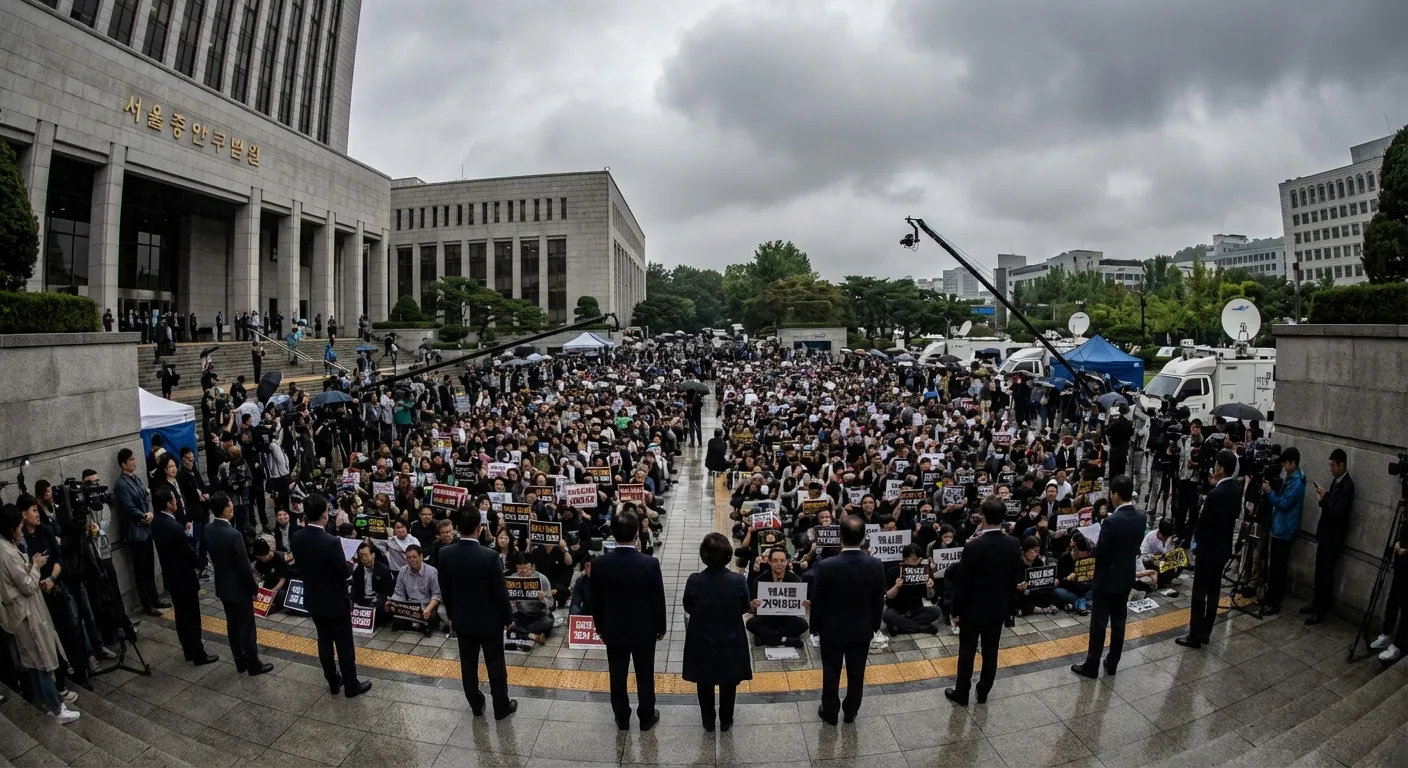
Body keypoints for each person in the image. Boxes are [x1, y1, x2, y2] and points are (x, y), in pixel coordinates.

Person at [0, 503, 81, 724]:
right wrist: (35, 566)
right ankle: (56, 708)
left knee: (33, 662)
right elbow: (27, 585)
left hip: (20, 614)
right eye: (19, 526)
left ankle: (44, 703)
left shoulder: (6, 547)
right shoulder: (7, 552)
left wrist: (31, 565)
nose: (21, 530)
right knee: (43, 660)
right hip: (27, 614)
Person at [590, 507, 667, 731]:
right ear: (636, 533)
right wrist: (660, 627)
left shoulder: (600, 564)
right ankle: (646, 716)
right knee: (645, 674)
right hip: (644, 630)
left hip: (613, 629)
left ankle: (622, 716)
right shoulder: (649, 563)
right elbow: (657, 599)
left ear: (613, 533)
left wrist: (600, 627)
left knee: (617, 673)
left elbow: (595, 600)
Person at [437, 506, 517, 719]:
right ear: (479, 528)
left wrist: (452, 615)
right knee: (495, 665)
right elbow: (500, 593)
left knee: (468, 665)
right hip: (490, 622)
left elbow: (445, 590)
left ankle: (475, 703)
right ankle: (501, 707)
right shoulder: (490, 556)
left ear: (456, 528)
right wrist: (508, 618)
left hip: (462, 620)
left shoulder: (445, 554)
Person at [290, 494, 371, 698]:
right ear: (325, 515)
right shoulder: (331, 541)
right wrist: (350, 564)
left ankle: (333, 681)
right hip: (335, 601)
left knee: (324, 641)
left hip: (313, 599)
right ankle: (351, 686)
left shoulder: (296, 537)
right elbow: (344, 572)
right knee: (344, 645)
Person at [946, 499, 1023, 706]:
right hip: (998, 607)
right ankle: (983, 691)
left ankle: (962, 693)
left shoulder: (973, 546)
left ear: (983, 517)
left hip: (972, 609)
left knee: (967, 651)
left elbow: (963, 582)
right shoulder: (1013, 543)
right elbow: (1014, 578)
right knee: (991, 651)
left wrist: (955, 608)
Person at [810, 514, 885, 725]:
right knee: (856, 672)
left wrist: (814, 628)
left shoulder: (826, 565)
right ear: (863, 537)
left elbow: (818, 600)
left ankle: (830, 711)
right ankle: (851, 711)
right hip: (862, 628)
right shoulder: (875, 564)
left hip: (832, 629)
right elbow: (878, 599)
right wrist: (875, 625)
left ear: (840, 536)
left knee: (831, 671)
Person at [1071, 474, 1144, 678]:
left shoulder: (1111, 521)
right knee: (1119, 621)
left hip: (1106, 580)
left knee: (1099, 623)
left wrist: (1089, 545)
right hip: (1126, 576)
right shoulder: (1141, 517)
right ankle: (1112, 662)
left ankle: (1091, 665)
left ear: (1116, 495)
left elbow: (1101, 552)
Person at [682, 532, 752, 732]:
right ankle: (726, 720)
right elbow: (744, 606)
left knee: (704, 681)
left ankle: (708, 720)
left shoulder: (694, 580)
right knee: (729, 681)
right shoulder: (738, 581)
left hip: (701, 638)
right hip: (731, 638)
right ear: (728, 555)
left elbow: (688, 606)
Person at [1177, 450, 1242, 648]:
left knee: (1199, 592)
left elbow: (1203, 523)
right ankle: (1206, 631)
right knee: (1214, 590)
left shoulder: (1215, 495)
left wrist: (1196, 542)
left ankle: (1194, 634)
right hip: (1223, 548)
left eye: (1216, 464)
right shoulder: (1236, 489)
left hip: (1207, 549)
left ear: (1221, 468)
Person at [204, 492, 272, 675]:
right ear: (224, 509)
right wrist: (254, 588)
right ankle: (254, 664)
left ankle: (239, 661)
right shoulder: (233, 535)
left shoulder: (208, 529)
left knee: (232, 626)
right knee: (247, 627)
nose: (232, 506)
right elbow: (244, 567)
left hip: (223, 586)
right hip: (239, 589)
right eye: (229, 504)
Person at [150, 487, 217, 666]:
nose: (177, 501)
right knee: (192, 616)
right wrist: (200, 565)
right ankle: (198, 653)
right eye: (174, 499)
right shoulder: (174, 527)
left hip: (171, 577)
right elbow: (188, 551)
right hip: (184, 578)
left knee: (181, 616)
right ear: (168, 504)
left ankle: (188, 649)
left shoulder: (157, 521)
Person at [1305, 449, 1354, 625]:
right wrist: (1323, 499)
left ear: (1342, 465)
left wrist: (1326, 498)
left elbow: (1340, 512)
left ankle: (1321, 610)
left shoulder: (1347, 485)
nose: (1331, 469)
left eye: (1333, 465)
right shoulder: (1336, 481)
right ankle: (1315, 604)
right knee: (1319, 572)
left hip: (1333, 537)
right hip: (1325, 533)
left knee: (1325, 574)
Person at [115, 449, 165, 617]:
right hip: (135, 532)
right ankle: (146, 604)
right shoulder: (121, 485)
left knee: (149, 567)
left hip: (146, 529)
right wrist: (143, 516)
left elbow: (145, 497)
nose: (134, 462)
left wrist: (149, 514)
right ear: (123, 464)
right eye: (131, 460)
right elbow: (128, 507)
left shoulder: (136, 479)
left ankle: (154, 598)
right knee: (141, 570)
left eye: (134, 458)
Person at [1261, 447, 1305, 617]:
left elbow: (1284, 503)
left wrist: (1269, 492)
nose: (1284, 467)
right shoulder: (1292, 477)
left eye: (1286, 464)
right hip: (1280, 527)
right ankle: (1270, 595)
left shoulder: (1297, 482)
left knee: (1278, 568)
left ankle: (1275, 602)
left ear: (1293, 463)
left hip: (1285, 529)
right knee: (1274, 566)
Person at [746, 547, 809, 647]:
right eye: (775, 561)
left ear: (787, 561)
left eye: (782, 561)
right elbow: (751, 606)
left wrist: (804, 603)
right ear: (769, 562)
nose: (779, 564)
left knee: (803, 625)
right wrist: (753, 604)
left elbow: (798, 605)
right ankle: (784, 639)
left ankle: (769, 637)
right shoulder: (760, 580)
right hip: (767, 618)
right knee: (750, 624)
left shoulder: (795, 580)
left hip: (787, 618)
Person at [389, 545, 447, 633]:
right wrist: (394, 603)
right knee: (395, 617)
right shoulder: (403, 571)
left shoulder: (432, 571)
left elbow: (436, 595)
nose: (412, 560)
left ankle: (416, 625)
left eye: (414, 557)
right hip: (410, 606)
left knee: (430, 618)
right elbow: (398, 593)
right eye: (409, 557)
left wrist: (428, 609)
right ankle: (418, 626)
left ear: (421, 556)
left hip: (427, 606)